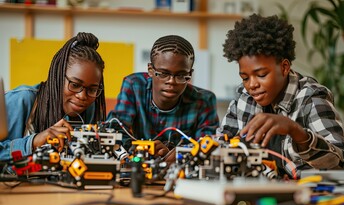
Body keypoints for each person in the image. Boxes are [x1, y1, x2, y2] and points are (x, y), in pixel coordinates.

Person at [217, 14, 344, 180]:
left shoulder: (311, 99)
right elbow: (221, 144)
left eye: (261, 74)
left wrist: (297, 132)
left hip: (311, 200)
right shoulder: (243, 98)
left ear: (284, 67)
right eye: (245, 78)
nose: (251, 85)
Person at [107, 35, 219, 156]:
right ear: (150, 70)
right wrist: (140, 149)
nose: (171, 81)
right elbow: (114, 131)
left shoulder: (204, 101)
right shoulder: (134, 86)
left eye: (181, 75)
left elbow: (207, 147)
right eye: (164, 73)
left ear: (190, 74)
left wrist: (176, 155)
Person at [0, 32, 106, 160]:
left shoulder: (90, 110)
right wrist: (33, 142)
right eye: (75, 84)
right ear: (58, 78)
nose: (82, 96)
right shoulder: (21, 100)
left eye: (92, 89)